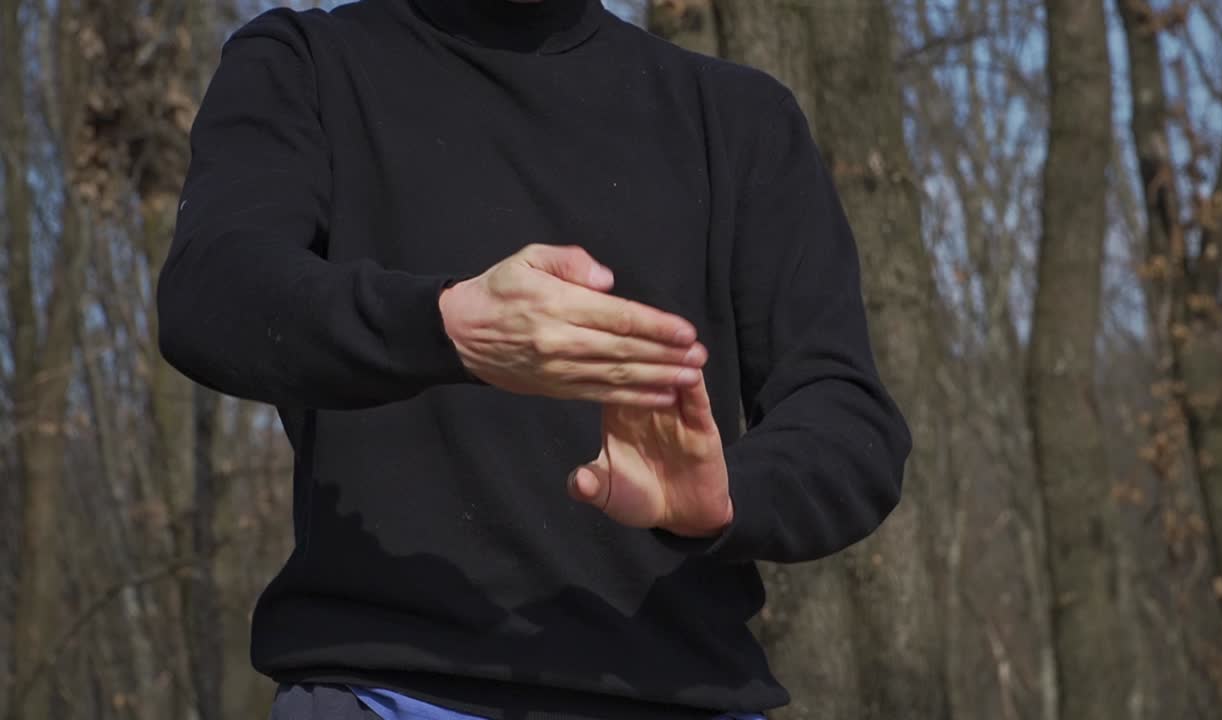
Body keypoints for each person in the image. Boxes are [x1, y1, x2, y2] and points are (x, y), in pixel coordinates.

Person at [156, 0, 912, 718]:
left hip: (689, 692)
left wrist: (725, 494)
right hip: (386, 688)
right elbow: (213, 292)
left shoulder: (739, 118)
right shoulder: (307, 65)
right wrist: (444, 324)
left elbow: (846, 419)